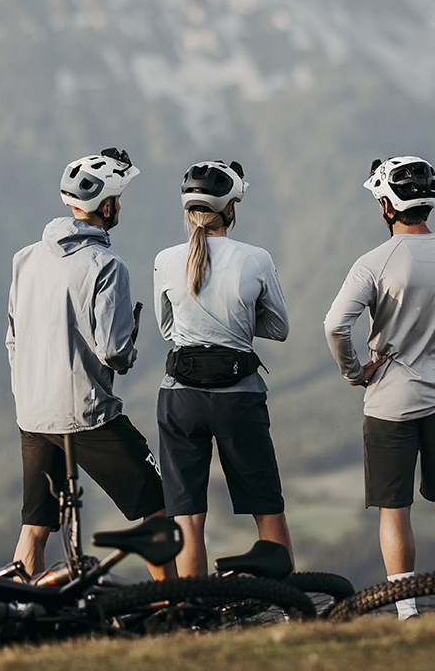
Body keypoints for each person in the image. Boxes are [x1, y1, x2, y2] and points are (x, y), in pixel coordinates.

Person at [6, 147, 174, 581]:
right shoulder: (106, 265)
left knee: (35, 526)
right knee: (157, 507)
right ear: (109, 204)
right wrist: (133, 339)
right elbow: (116, 352)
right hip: (87, 414)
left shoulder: (25, 258)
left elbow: (12, 337)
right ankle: (177, 610)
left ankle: (28, 619)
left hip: (33, 413)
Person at [324, 156, 435, 617]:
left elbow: (336, 325)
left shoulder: (374, 262)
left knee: (395, 509)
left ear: (388, 206)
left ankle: (407, 611)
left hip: (389, 403)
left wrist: (354, 371)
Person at [153, 160, 292, 579]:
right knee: (266, 507)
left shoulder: (164, 259)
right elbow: (280, 328)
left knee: (187, 519)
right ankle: (289, 607)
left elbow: (166, 329)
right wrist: (242, 320)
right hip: (240, 397)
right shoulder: (256, 258)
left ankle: (195, 616)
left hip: (180, 397)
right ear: (230, 208)